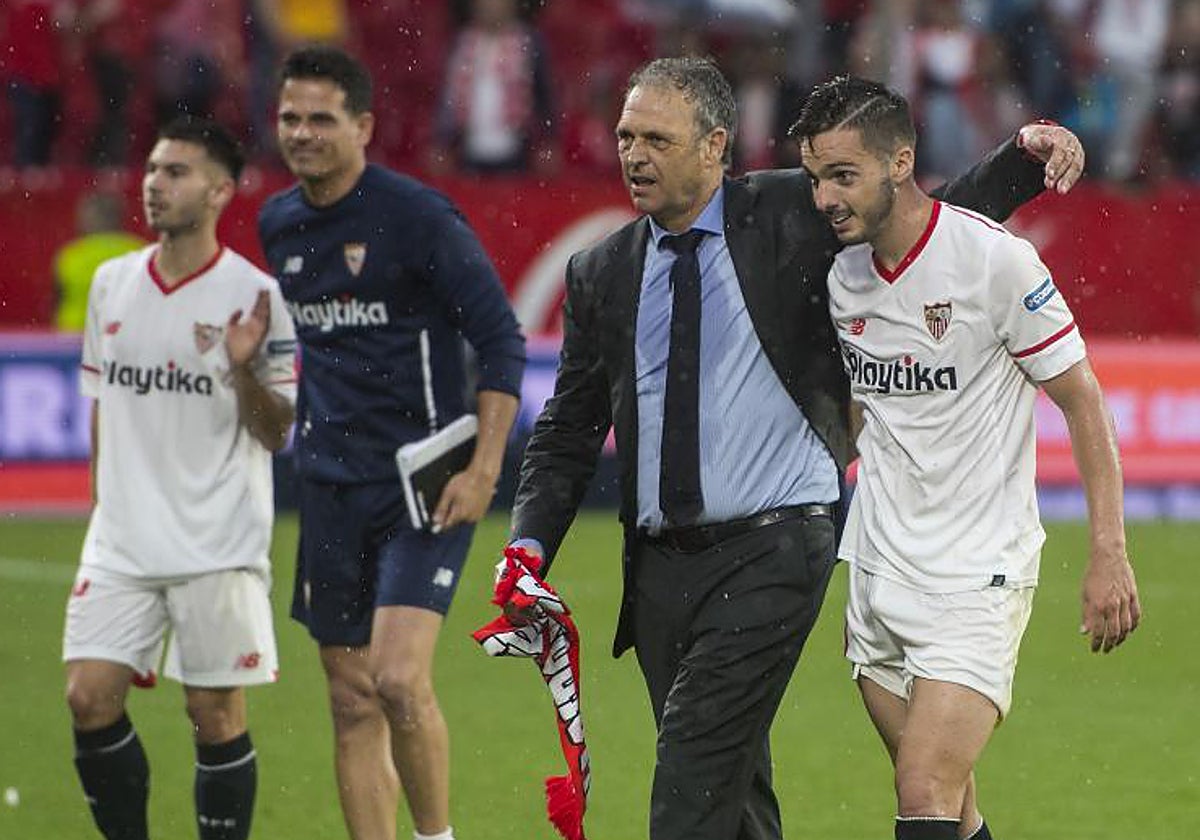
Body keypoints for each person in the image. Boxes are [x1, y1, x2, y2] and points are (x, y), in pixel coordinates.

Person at [505, 55, 1086, 840]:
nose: (634, 155)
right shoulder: (600, 272)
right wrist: (529, 544)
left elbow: (918, 207)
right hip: (658, 570)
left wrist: (1022, 159)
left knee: (690, 783)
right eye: (624, 136)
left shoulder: (787, 211)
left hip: (777, 544)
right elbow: (568, 429)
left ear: (714, 146)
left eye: (657, 138)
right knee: (734, 791)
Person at [790, 76, 1142, 840]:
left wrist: (1108, 552)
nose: (825, 199)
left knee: (922, 792)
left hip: (976, 576)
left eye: (843, 176)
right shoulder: (843, 277)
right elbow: (863, 416)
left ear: (900, 162)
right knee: (953, 806)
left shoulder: (996, 264)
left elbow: (1083, 401)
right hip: (879, 571)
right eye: (817, 178)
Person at [258, 45, 525, 840]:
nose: (302, 134)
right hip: (329, 488)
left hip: (425, 488)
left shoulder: (417, 219)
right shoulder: (279, 225)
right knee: (349, 702)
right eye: (289, 118)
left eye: (321, 119)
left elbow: (504, 343)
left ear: (364, 125)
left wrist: (484, 470)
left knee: (400, 682)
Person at [64, 115, 297, 840]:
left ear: (220, 190)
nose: (155, 184)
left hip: (216, 541)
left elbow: (277, 431)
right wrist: (107, 506)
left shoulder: (255, 296)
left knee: (214, 715)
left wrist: (238, 366)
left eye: (176, 172)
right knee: (87, 697)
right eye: (154, 169)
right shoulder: (112, 284)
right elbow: (104, 406)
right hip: (122, 541)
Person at [54, 190, 145, 332]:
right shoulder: (139, 251)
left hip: (75, 335)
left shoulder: (71, 254)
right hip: (124, 334)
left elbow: (58, 299)